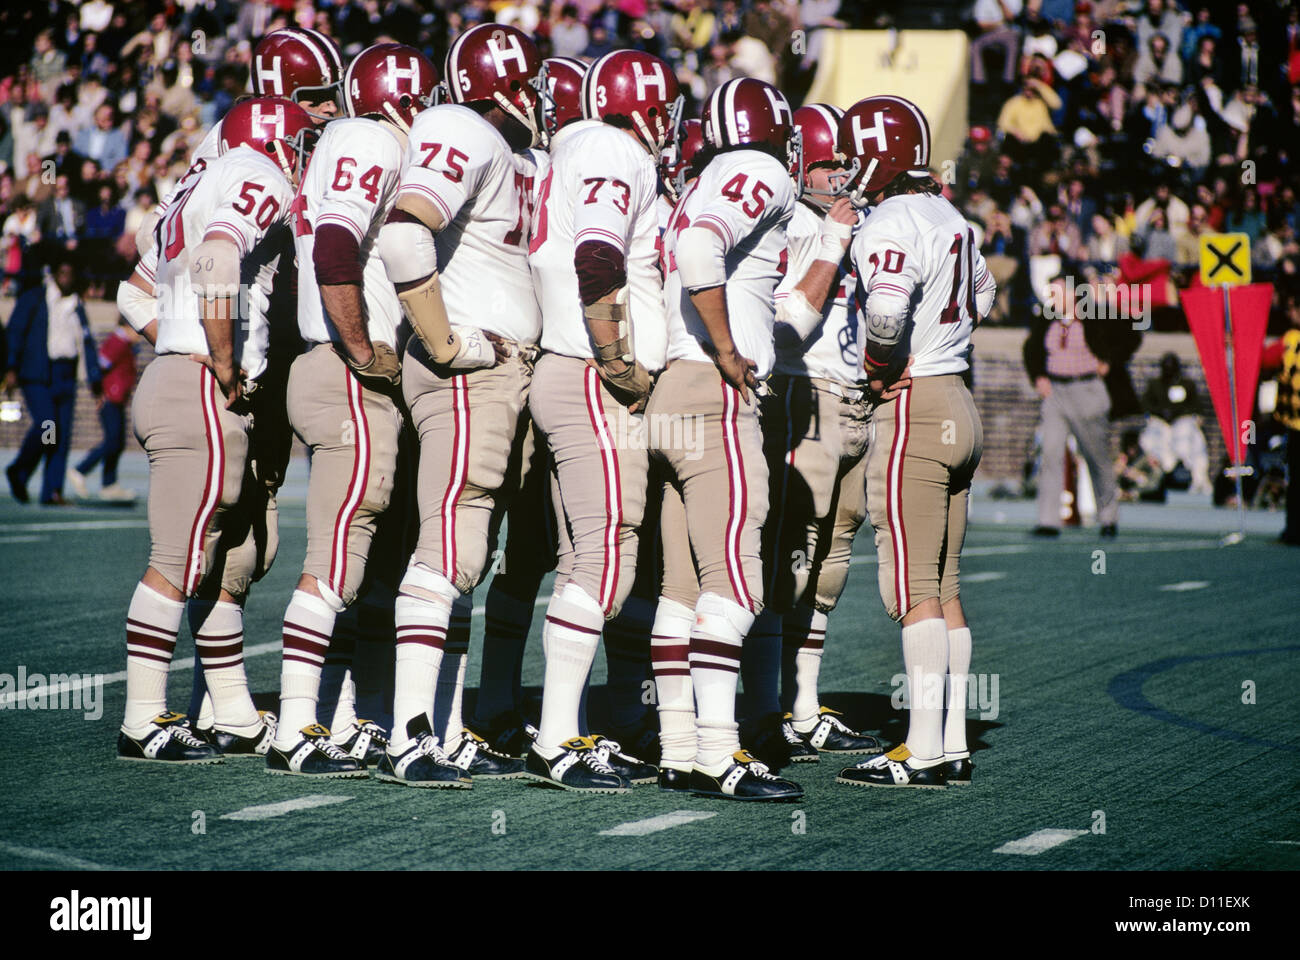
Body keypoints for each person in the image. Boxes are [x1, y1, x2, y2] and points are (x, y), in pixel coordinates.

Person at [116, 97, 313, 765]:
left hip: (184, 378)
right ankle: (143, 719)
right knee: (181, 557)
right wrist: (223, 362)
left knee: (224, 556)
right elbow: (216, 266)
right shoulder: (255, 173)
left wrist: (178, 343)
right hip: (201, 387)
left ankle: (230, 708)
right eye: (299, 138)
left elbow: (136, 291)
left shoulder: (195, 187)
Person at [833, 95, 995, 790]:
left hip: (916, 406)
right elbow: (982, 295)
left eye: (851, 156)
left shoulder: (891, 219)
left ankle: (923, 747)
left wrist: (877, 373)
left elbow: (889, 312)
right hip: (959, 395)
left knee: (910, 588)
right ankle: (951, 741)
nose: (844, 171)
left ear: (879, 154)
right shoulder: (950, 217)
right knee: (945, 582)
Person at [653, 77, 802, 801]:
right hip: (713, 392)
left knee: (681, 588)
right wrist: (727, 349)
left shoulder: (702, 174)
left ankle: (680, 746)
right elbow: (700, 246)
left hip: (670, 393)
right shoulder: (759, 168)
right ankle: (718, 752)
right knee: (737, 579)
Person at [1023, 276, 1120, 536]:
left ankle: (1108, 517)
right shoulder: (1046, 318)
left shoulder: (1093, 316)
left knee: (1096, 455)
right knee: (1051, 453)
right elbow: (1031, 348)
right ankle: (1048, 520)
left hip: (1086, 389)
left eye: (1058, 290)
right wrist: (1039, 377)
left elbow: (1128, 336)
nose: (1052, 296)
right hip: (1056, 393)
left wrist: (1108, 360)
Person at [4, 254, 102, 505]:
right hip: (38, 373)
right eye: (63, 273)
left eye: (71, 274)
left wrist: (94, 377)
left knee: (60, 436)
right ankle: (20, 469)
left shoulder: (76, 303)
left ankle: (51, 490)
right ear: (55, 274)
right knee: (48, 425)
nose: (67, 279)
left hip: (65, 374)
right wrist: (11, 367)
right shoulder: (35, 298)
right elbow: (15, 332)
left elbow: (87, 342)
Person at [69, 316, 139, 501]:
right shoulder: (117, 342)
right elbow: (100, 365)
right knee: (112, 441)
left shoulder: (125, 344)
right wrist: (99, 392)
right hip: (110, 398)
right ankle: (80, 470)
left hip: (118, 398)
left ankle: (109, 483)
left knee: (118, 442)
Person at [1139, 352, 1212, 494]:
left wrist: (1178, 414)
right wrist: (1162, 413)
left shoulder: (1187, 385)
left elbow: (1196, 408)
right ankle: (1161, 474)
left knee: (1189, 437)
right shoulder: (1155, 385)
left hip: (1182, 423)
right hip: (1160, 424)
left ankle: (1193, 477)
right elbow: (1146, 406)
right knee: (1153, 440)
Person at [1261, 290, 1300, 545]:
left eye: (1292, 308)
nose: (1289, 314)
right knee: (1295, 479)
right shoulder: (1290, 338)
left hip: (1295, 421)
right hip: (1295, 422)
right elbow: (1265, 359)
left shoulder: (1291, 339)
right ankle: (1293, 530)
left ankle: (1293, 530)